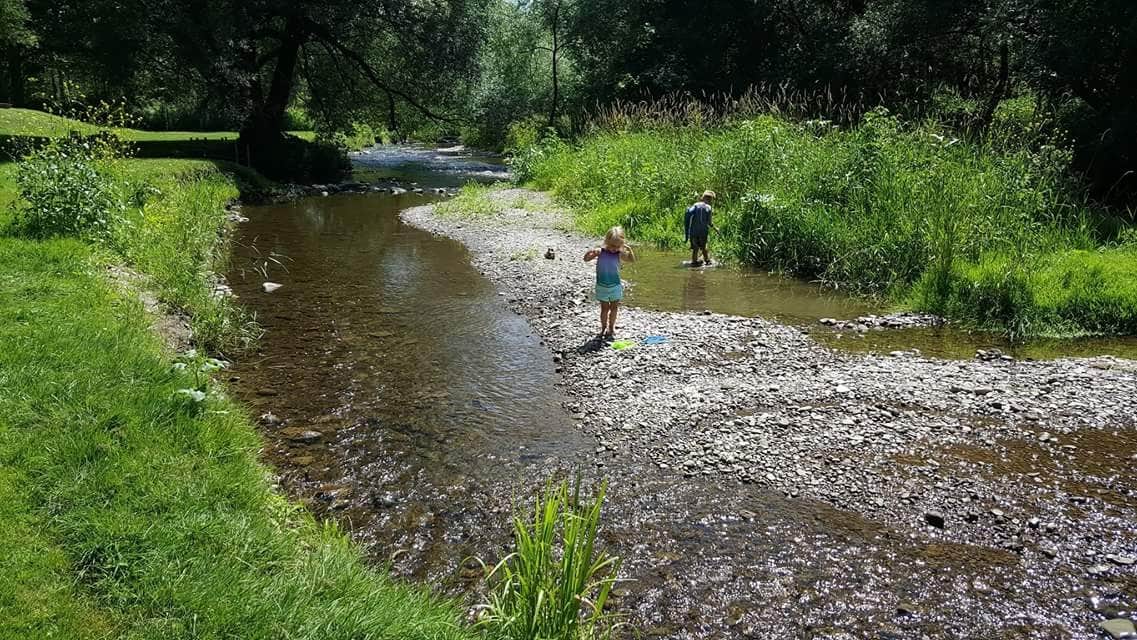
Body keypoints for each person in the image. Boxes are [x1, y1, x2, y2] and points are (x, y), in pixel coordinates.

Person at [584, 226, 635, 340]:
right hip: (602, 286)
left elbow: (631, 260)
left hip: (615, 286)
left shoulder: (619, 253)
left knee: (614, 308)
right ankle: (603, 327)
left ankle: (611, 327)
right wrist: (591, 251)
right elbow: (586, 259)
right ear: (606, 242)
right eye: (612, 246)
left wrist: (629, 250)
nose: (614, 249)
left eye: (617, 246)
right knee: (604, 309)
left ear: (621, 245)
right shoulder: (600, 252)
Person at [685, 190, 716, 266]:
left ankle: (694, 262)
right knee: (704, 247)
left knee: (695, 248)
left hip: (694, 231)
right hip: (703, 232)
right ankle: (707, 261)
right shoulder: (708, 207)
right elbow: (709, 222)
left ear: (703, 197)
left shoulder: (695, 205)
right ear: (710, 200)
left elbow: (688, 212)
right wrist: (715, 228)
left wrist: (686, 230)